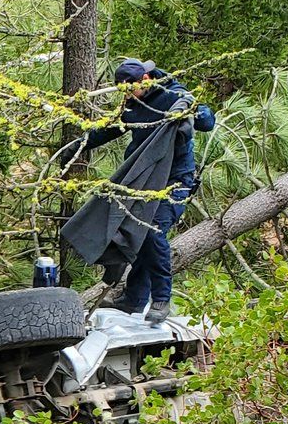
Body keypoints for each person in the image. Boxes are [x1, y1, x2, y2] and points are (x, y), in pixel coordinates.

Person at [55, 57, 215, 323]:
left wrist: (191, 109)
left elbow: (208, 121)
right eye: (123, 92)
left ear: (146, 80)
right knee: (134, 234)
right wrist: (78, 146)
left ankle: (161, 298)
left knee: (150, 230)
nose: (128, 96)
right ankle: (134, 300)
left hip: (175, 182)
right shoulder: (131, 105)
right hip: (142, 181)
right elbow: (109, 130)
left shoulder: (172, 95)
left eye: (131, 90)